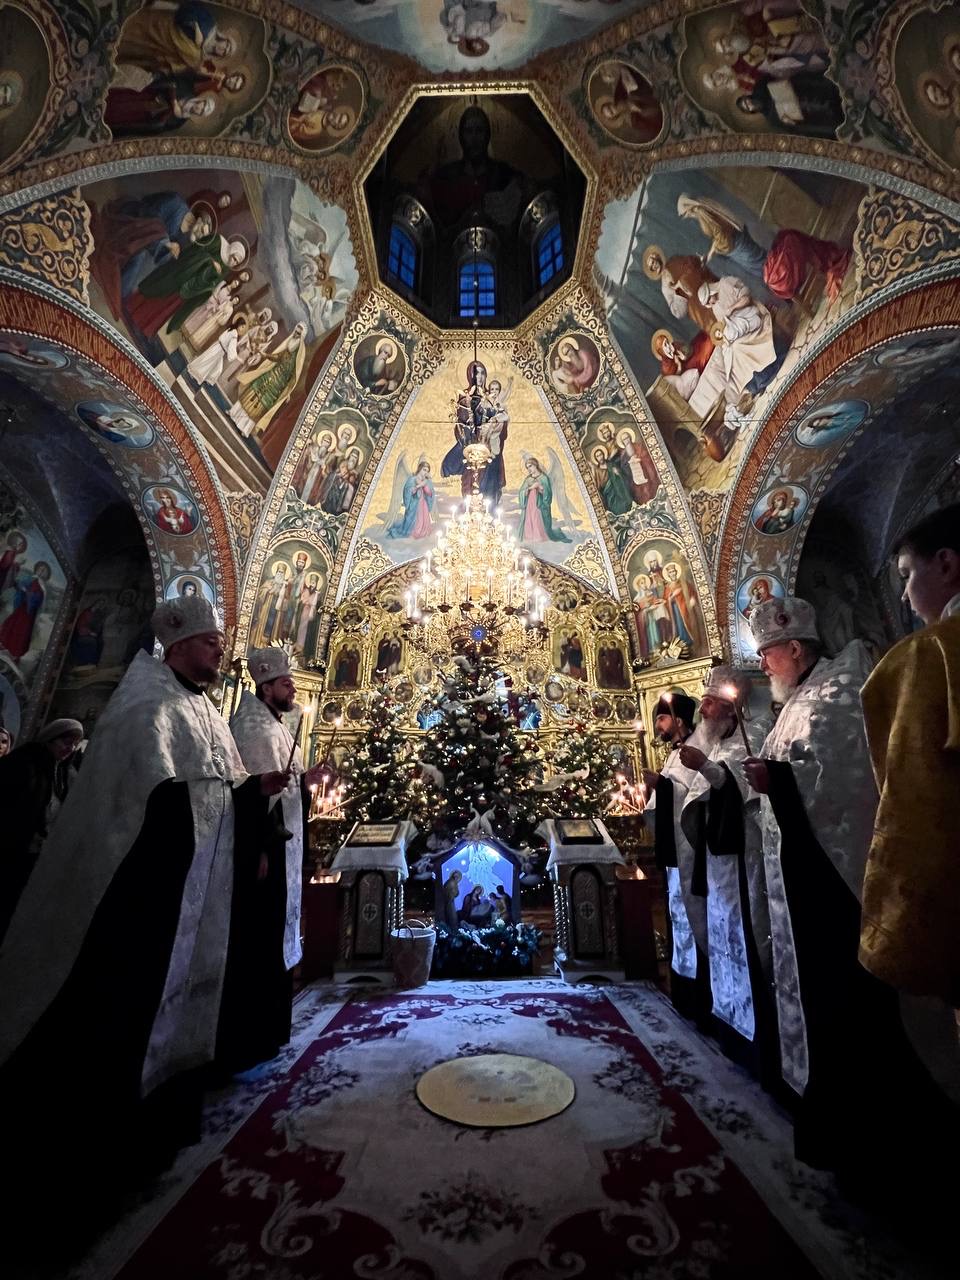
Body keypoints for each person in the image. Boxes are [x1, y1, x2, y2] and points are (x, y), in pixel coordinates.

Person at [0, 596, 290, 1240]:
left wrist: (254, 792)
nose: (221, 651)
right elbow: (144, 801)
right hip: (142, 895)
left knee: (174, 1003)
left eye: (220, 642)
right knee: (128, 1009)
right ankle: (102, 1168)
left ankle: (166, 1124)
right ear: (178, 645)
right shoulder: (147, 707)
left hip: (191, 890)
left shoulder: (203, 709)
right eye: (212, 642)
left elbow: (222, 787)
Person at [743, 596, 957, 1195]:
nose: (763, 664)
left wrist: (775, 779)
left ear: (794, 648)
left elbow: (841, 786)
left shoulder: (834, 696)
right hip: (803, 882)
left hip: (836, 887)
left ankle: (869, 1146)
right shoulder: (797, 700)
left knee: (848, 1008)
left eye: (768, 653)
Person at [859, 505, 960, 1012]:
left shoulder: (929, 653)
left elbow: (913, 803)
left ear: (946, 564)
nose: (903, 594)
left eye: (905, 575)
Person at [223, 648, 327, 1072]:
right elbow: (248, 794)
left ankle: (270, 1030)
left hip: (282, 847)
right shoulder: (252, 728)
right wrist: (262, 846)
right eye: (287, 684)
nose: (293, 690)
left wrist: (307, 781)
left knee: (274, 931)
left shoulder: (276, 726)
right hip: (265, 852)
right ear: (266, 687)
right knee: (258, 935)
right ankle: (251, 1037)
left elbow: (283, 790)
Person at [674, 670, 776, 1079]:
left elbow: (740, 793)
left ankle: (756, 1040)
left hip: (742, 859)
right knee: (722, 940)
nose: (702, 708)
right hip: (716, 862)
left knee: (745, 934)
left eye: (710, 702)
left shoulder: (750, 739)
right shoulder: (715, 744)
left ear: (732, 707)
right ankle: (730, 1026)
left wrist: (707, 768)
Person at [642, 691, 712, 1022]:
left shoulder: (696, 747)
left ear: (679, 720)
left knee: (692, 915)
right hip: (675, 851)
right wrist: (658, 787)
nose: (658, 724)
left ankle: (700, 998)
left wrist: (662, 785)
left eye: (662, 717)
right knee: (677, 915)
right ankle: (684, 995)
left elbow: (693, 795)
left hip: (690, 850)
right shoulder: (674, 752)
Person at [0, 718, 84, 940]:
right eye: (66, 741)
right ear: (50, 739)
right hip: (10, 850)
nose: (70, 748)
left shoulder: (63, 772)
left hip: (33, 854)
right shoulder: (23, 763)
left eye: (75, 744)